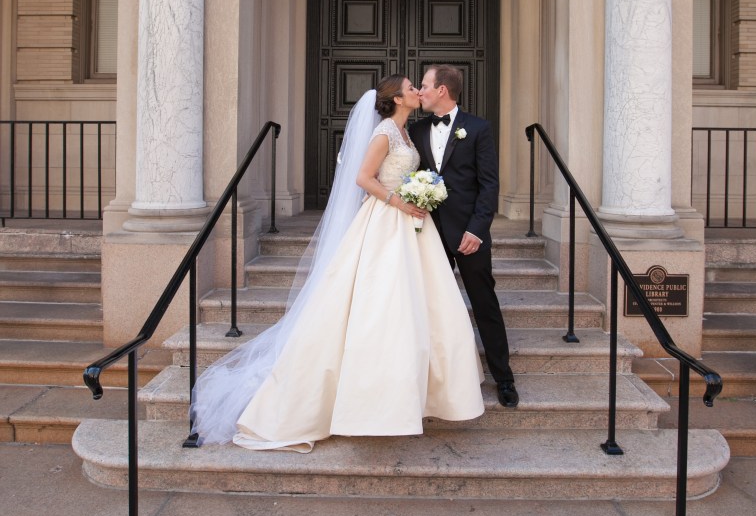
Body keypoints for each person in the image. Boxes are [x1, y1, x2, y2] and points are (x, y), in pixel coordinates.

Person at [191, 74, 485, 451]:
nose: (417, 92)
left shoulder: (407, 133)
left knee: (419, 305)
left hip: (411, 225)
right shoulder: (385, 133)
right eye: (411, 88)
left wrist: (419, 194)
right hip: (386, 223)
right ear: (397, 98)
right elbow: (363, 178)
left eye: (419, 86)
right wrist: (399, 201)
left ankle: (419, 393)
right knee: (381, 307)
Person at [409, 65, 519, 407]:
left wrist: (477, 229)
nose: (420, 92)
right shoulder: (415, 129)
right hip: (427, 234)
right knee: (426, 306)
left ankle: (504, 378)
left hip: (470, 233)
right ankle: (428, 380)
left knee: (484, 303)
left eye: (425, 86)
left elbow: (489, 184)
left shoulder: (478, 128)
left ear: (442, 90)